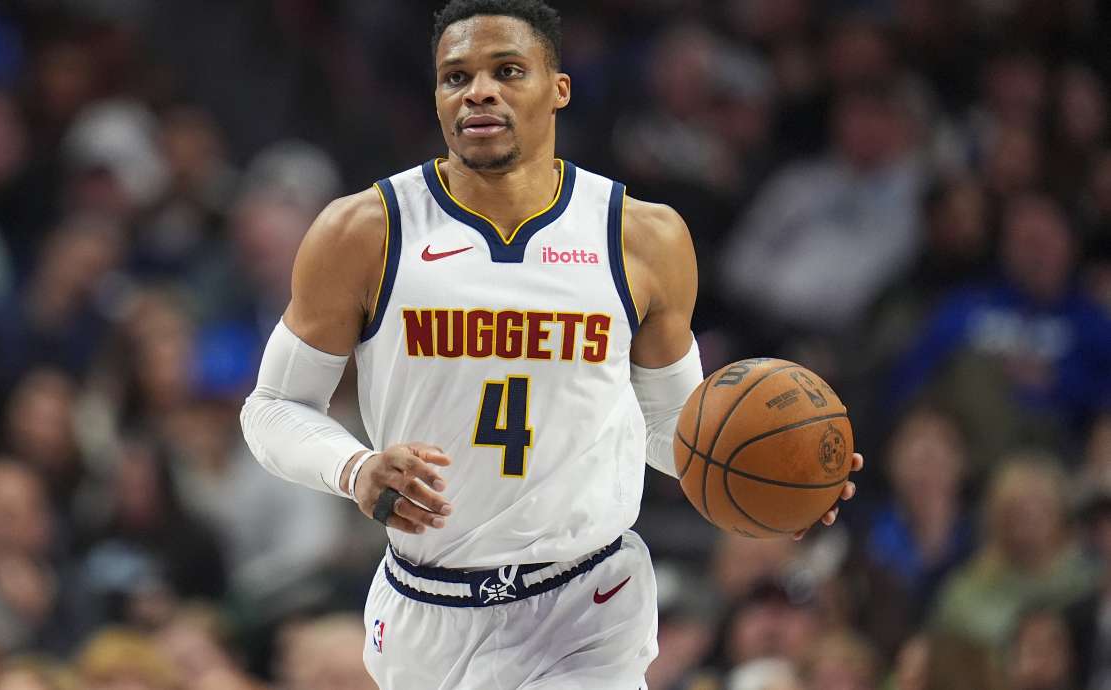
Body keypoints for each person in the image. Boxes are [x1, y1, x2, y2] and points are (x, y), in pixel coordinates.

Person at [239, 2, 862, 688]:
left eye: (508, 71)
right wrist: (356, 470)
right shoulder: (363, 231)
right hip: (426, 606)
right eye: (456, 77)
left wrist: (788, 473)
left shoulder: (640, 237)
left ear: (558, 88)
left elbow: (676, 432)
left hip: (589, 601)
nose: (479, 90)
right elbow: (272, 407)